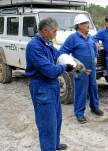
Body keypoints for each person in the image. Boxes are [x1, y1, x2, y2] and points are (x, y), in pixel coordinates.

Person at [26, 17, 73, 150]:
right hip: (42, 85)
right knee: (47, 123)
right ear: (45, 30)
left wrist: (71, 60)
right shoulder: (34, 46)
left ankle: (55, 144)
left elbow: (57, 54)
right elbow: (49, 71)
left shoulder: (47, 42)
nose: (56, 34)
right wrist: (65, 67)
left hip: (52, 85)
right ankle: (48, 147)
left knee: (56, 118)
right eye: (54, 31)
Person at [60, 14, 103, 124]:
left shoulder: (90, 37)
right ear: (79, 25)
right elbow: (62, 52)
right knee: (81, 91)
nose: (88, 25)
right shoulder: (73, 38)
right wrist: (72, 63)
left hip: (92, 69)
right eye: (86, 23)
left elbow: (94, 48)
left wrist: (95, 58)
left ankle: (94, 107)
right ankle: (79, 113)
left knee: (93, 88)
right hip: (80, 70)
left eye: (88, 23)